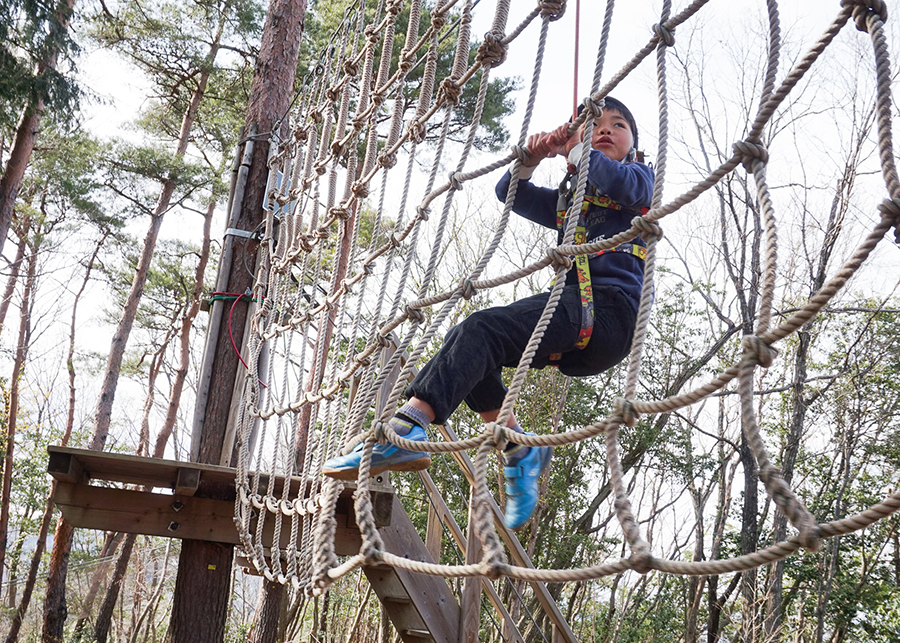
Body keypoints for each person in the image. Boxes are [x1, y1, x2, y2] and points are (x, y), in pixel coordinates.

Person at [323, 96, 655, 530]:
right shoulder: (571, 200)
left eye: (618, 125)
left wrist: (576, 147)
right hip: (579, 321)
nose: (605, 129)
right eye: (594, 126)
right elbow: (508, 192)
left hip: (610, 314)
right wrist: (533, 157)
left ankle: (410, 425)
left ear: (633, 145)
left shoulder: (636, 179)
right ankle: (520, 448)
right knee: (473, 341)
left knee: (483, 329)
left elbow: (623, 185)